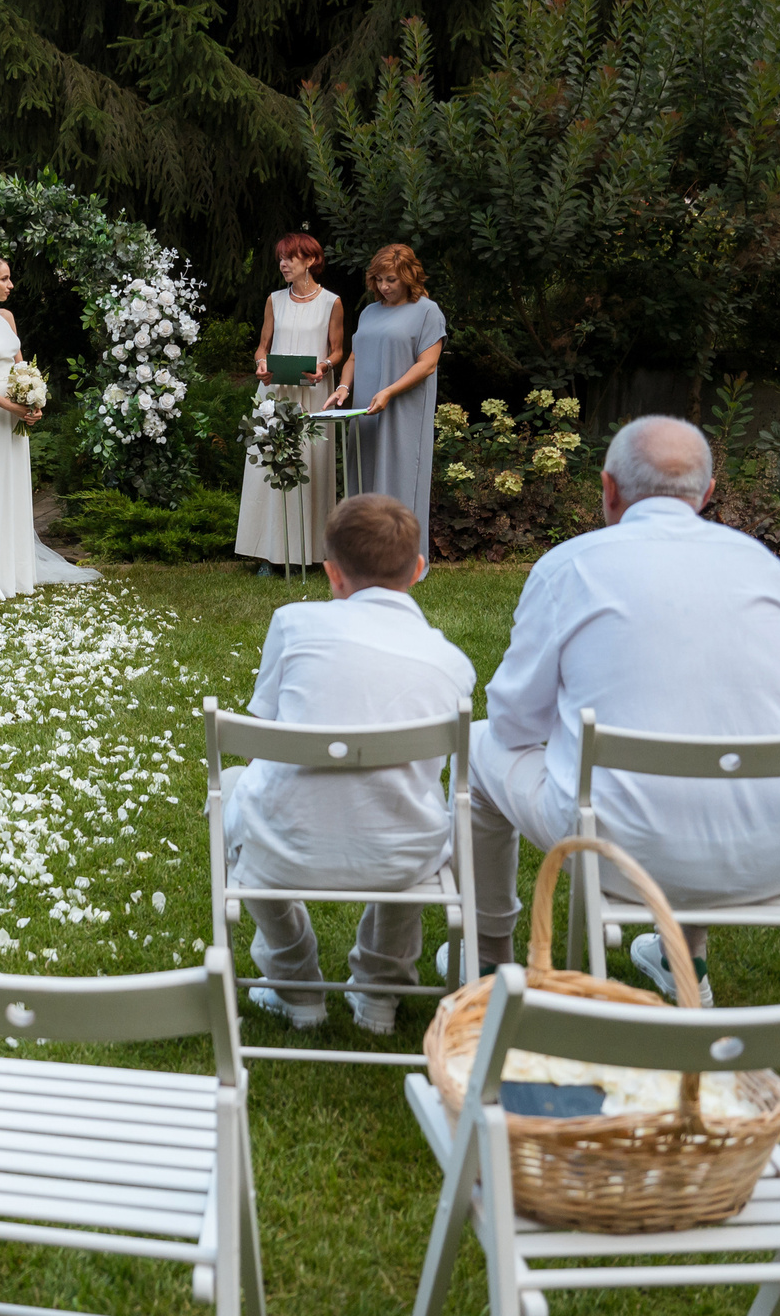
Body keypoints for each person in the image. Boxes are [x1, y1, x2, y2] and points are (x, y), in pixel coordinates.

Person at [467, 416, 780, 1006]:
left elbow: (514, 723)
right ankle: (680, 956)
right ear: (706, 496)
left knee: (481, 744)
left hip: (619, 851)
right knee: (708, 729)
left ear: (609, 489)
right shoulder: (761, 565)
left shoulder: (570, 565)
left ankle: (489, 960)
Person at [222, 493, 475, 1034]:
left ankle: (295, 983)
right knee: (420, 803)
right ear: (420, 570)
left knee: (232, 782)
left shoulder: (293, 624)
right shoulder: (453, 665)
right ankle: (380, 993)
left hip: (281, 852)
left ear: (332, 573)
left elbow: (259, 742)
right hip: (404, 858)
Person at [0, 255, 101, 598]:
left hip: (15, 416)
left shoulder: (6, 317)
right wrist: (12, 406)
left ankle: (16, 570)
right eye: (4, 279)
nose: (11, 285)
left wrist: (33, 402)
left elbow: (21, 367)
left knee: (13, 487)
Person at [235, 233, 348, 573]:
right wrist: (260, 366)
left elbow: (338, 351)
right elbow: (262, 346)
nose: (283, 264)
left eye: (290, 258)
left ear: (310, 261)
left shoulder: (332, 302)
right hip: (275, 396)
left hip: (312, 394)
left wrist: (324, 367)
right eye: (280, 259)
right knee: (268, 470)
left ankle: (309, 555)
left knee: (311, 469)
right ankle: (269, 555)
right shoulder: (274, 300)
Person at [344, 243, 446, 557]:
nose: (384, 287)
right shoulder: (369, 312)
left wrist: (389, 390)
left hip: (403, 411)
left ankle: (402, 561)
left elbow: (427, 364)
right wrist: (344, 388)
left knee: (400, 481)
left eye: (391, 280)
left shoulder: (428, 311)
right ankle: (364, 560)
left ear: (408, 277)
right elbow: (353, 356)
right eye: (378, 280)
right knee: (363, 482)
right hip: (365, 410)